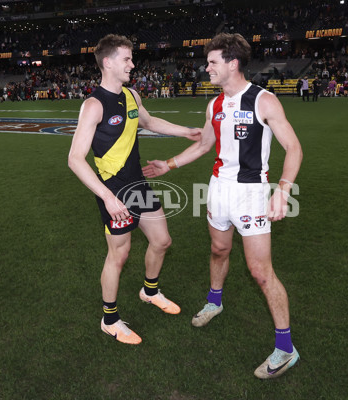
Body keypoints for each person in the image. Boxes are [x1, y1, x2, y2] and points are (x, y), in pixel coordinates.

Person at [143, 32, 303, 379]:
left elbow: (294, 148)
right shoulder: (214, 104)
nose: (207, 68)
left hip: (251, 192)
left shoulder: (264, 101)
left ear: (233, 63)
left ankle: (285, 349)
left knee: (260, 272)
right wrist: (167, 165)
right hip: (218, 189)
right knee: (218, 249)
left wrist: (284, 190)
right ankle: (214, 302)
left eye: (213, 62)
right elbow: (204, 145)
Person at [67, 34, 201, 345]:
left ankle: (149, 291)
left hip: (138, 185)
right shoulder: (93, 105)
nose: (132, 63)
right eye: (127, 59)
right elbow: (75, 159)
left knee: (162, 240)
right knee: (120, 254)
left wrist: (188, 132)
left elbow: (150, 122)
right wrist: (108, 197)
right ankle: (110, 319)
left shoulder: (131, 96)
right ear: (108, 62)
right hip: (112, 191)